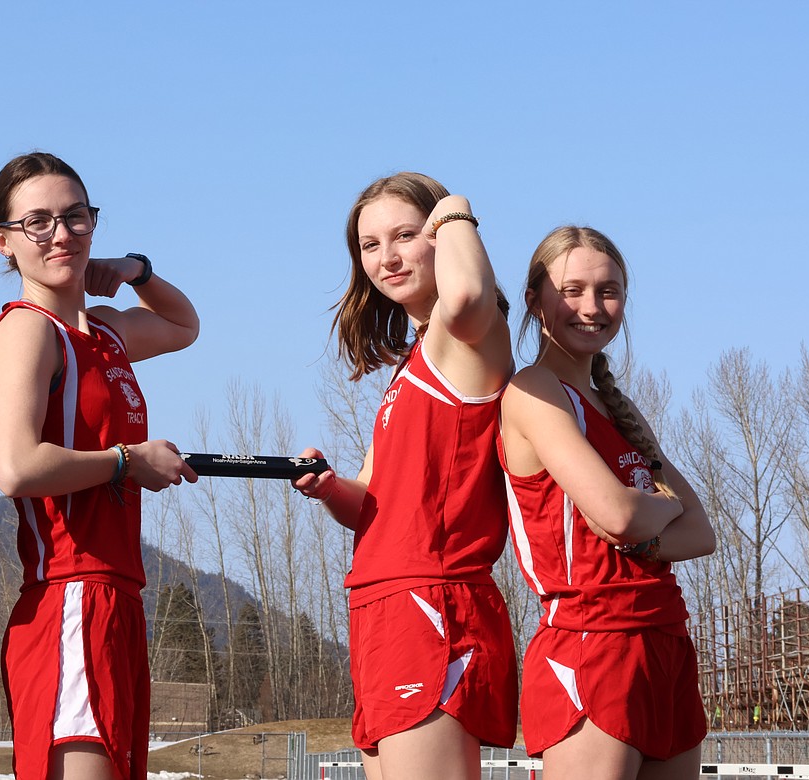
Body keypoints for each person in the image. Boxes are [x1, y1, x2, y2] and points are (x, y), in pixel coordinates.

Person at [0, 151, 199, 780]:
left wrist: (135, 270)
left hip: (116, 593)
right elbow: (16, 466)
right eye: (37, 222)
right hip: (69, 593)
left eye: (75, 217)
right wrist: (127, 462)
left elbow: (184, 325)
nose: (60, 234)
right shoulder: (28, 329)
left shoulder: (101, 330)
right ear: (3, 241)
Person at [292, 172, 517, 779]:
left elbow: (470, 291)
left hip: (432, 601)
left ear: (442, 237)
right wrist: (328, 486)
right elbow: (368, 504)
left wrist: (456, 207)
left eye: (405, 235)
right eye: (369, 245)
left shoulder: (469, 331)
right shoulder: (414, 364)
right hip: (379, 608)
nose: (386, 258)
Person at [498, 225, 715, 779]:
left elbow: (702, 534)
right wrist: (653, 506)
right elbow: (620, 516)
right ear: (534, 300)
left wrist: (644, 515)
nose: (592, 307)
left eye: (608, 290)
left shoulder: (621, 409)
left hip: (666, 637)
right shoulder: (534, 391)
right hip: (592, 643)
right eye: (572, 290)